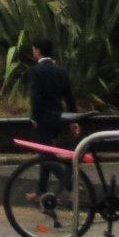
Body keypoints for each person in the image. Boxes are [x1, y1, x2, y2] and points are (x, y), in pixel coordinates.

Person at [28, 38, 76, 198]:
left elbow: (35, 97)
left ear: (38, 51)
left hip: (43, 119)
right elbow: (69, 97)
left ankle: (68, 183)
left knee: (46, 156)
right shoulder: (61, 71)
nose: (33, 52)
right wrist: (73, 119)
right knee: (46, 152)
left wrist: (34, 117)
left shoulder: (35, 71)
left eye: (34, 49)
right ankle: (40, 190)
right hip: (59, 118)